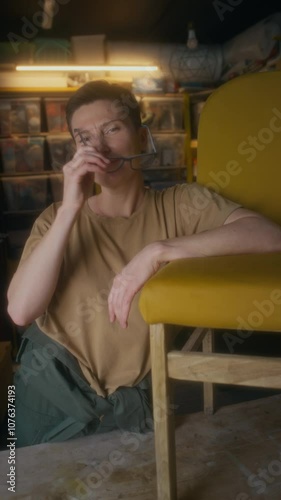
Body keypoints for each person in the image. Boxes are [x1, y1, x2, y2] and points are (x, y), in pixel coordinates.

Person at [7, 80, 281, 447]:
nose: (100, 147)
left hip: (135, 409)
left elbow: (269, 236)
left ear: (141, 136)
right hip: (49, 402)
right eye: (84, 137)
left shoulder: (181, 204)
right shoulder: (56, 218)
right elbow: (22, 311)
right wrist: (71, 207)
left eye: (112, 129)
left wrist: (157, 251)